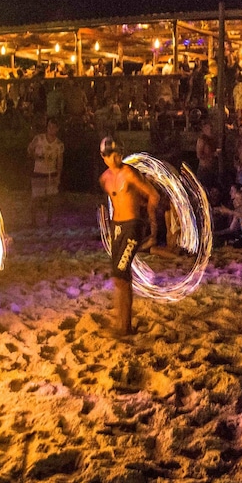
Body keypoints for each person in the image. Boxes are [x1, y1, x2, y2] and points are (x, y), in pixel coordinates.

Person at [99, 137, 159, 336]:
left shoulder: (130, 174)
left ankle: (124, 327)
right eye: (111, 155)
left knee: (121, 274)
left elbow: (153, 194)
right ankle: (122, 323)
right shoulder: (104, 179)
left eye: (118, 154)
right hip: (116, 228)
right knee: (119, 276)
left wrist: (151, 221)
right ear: (103, 157)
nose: (116, 158)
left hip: (133, 227)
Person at [27, 119, 64, 227]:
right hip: (38, 172)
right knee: (36, 198)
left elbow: (60, 161)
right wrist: (36, 156)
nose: (51, 129)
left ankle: (49, 221)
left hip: (51, 173)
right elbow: (29, 150)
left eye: (53, 127)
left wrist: (58, 175)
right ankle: (33, 221)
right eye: (49, 127)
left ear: (57, 129)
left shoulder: (59, 144)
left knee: (51, 199)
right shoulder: (39, 139)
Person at [195, 120, 219, 191]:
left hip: (212, 169)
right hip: (204, 169)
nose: (210, 130)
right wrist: (212, 155)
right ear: (204, 129)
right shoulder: (201, 140)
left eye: (211, 128)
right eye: (208, 129)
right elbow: (199, 155)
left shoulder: (212, 140)